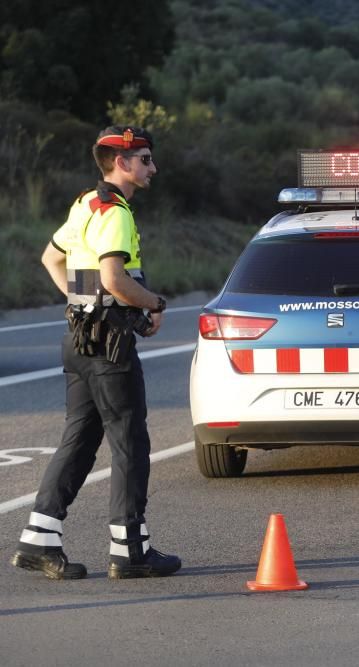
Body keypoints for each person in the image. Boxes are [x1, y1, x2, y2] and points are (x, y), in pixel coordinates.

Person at [10, 126, 181, 580]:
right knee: (129, 443)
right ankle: (130, 551)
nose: (152, 167)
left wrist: (84, 303)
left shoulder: (85, 203)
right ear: (121, 163)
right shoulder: (117, 211)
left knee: (79, 440)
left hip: (80, 340)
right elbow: (114, 278)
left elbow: (53, 257)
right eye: (144, 159)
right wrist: (154, 303)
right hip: (109, 346)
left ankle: (38, 541)